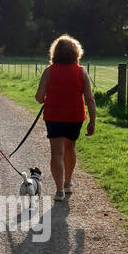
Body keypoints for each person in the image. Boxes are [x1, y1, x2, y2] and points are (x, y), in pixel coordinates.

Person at [35, 35, 95, 200]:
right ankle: (68, 182)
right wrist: (92, 121)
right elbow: (90, 98)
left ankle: (59, 190)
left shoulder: (49, 72)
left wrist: (49, 98)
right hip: (74, 117)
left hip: (54, 116)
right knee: (70, 148)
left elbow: (39, 97)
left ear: (55, 53)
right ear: (76, 53)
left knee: (57, 153)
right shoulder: (81, 72)